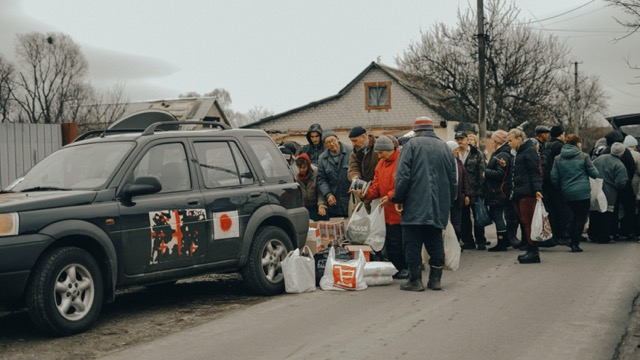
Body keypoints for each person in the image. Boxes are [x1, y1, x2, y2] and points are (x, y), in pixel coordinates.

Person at [392, 117, 457, 291]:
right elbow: (453, 179)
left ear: (416, 130)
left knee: (412, 242)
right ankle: (435, 280)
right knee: (434, 240)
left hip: (414, 203)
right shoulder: (445, 147)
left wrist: (398, 198)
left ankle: (415, 281)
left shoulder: (410, 146)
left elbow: (402, 175)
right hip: (438, 205)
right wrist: (449, 201)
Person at [357, 135, 408, 279]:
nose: (379, 155)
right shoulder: (381, 164)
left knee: (402, 241)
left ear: (389, 149)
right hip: (387, 211)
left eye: (381, 152)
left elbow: (405, 184)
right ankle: (397, 267)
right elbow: (376, 185)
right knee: (392, 241)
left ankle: (405, 267)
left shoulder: (401, 162)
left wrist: (391, 196)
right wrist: (365, 194)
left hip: (401, 210)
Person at [550, 134, 599, 252]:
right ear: (577, 143)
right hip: (583, 192)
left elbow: (554, 177)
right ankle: (574, 243)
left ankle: (570, 239)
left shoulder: (558, 158)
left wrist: (559, 187)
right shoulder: (584, 156)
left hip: (566, 192)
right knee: (580, 218)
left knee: (571, 216)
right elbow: (595, 173)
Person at [507, 129, 543, 264]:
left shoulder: (528, 151)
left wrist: (537, 190)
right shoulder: (519, 153)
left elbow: (534, 172)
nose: (509, 143)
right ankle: (530, 249)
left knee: (528, 223)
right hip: (519, 192)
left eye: (510, 140)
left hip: (527, 193)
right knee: (525, 222)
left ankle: (534, 251)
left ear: (519, 139)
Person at [590, 142, 628, 243]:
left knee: (594, 211)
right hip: (609, 192)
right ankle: (604, 237)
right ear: (621, 153)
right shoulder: (620, 165)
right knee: (606, 213)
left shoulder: (599, 158)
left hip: (595, 189)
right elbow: (621, 182)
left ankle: (592, 234)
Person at [455, 131, 487, 250]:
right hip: (462, 191)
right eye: (457, 139)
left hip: (475, 190)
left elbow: (482, 172)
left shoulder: (476, 153)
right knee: (464, 218)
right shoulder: (455, 153)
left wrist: (481, 190)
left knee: (478, 216)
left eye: (462, 138)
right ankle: (468, 241)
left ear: (467, 140)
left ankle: (481, 240)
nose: (459, 141)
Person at [540, 125, 571, 247]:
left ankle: (553, 234)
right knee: (562, 209)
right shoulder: (560, 147)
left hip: (547, 182)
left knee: (551, 210)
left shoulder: (546, 145)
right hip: (557, 182)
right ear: (561, 134)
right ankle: (563, 235)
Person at [485, 130, 513, 252]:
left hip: (497, 190)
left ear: (497, 141)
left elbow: (501, 173)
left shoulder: (502, 154)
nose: (491, 141)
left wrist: (485, 173)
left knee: (497, 215)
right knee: (497, 215)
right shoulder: (502, 152)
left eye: (493, 139)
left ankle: (502, 242)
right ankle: (505, 240)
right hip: (498, 190)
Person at [316, 130, 352, 218]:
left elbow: (358, 171)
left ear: (337, 139)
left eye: (333, 140)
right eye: (328, 142)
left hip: (351, 199)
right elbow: (321, 179)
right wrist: (328, 194)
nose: (332, 144)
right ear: (325, 144)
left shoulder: (351, 152)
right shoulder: (322, 158)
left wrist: (355, 183)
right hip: (335, 203)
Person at [446, 140, 469, 247]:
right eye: (455, 150)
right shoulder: (444, 162)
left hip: (458, 197)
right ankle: (447, 243)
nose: (457, 152)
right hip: (446, 197)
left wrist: (466, 194)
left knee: (457, 222)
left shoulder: (459, 162)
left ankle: (456, 242)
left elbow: (464, 179)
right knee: (445, 221)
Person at [295, 153, 328, 221]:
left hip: (316, 206)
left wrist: (321, 205)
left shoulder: (316, 174)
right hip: (304, 208)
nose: (301, 170)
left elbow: (320, 192)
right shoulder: (296, 177)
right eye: (299, 168)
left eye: (304, 167)